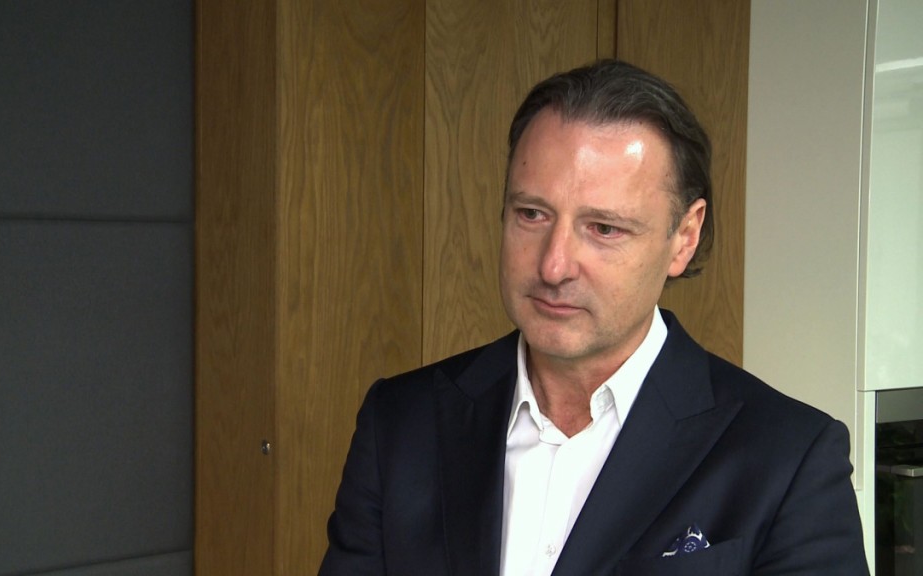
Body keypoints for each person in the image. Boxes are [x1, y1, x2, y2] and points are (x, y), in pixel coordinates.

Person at [319, 59, 868, 576]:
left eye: (604, 228)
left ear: (684, 237)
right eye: (532, 214)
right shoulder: (400, 424)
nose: (554, 266)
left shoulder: (788, 458)